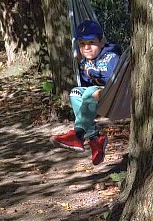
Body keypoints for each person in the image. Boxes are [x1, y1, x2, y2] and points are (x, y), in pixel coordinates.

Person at [52, 20, 122, 166]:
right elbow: (85, 84)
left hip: (113, 92)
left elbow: (112, 77)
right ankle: (95, 138)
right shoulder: (84, 61)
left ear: (101, 42)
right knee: (75, 92)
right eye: (82, 44)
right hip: (95, 95)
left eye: (91, 42)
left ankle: (78, 135)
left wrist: (91, 71)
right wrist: (83, 67)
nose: (86, 47)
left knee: (90, 91)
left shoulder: (111, 56)